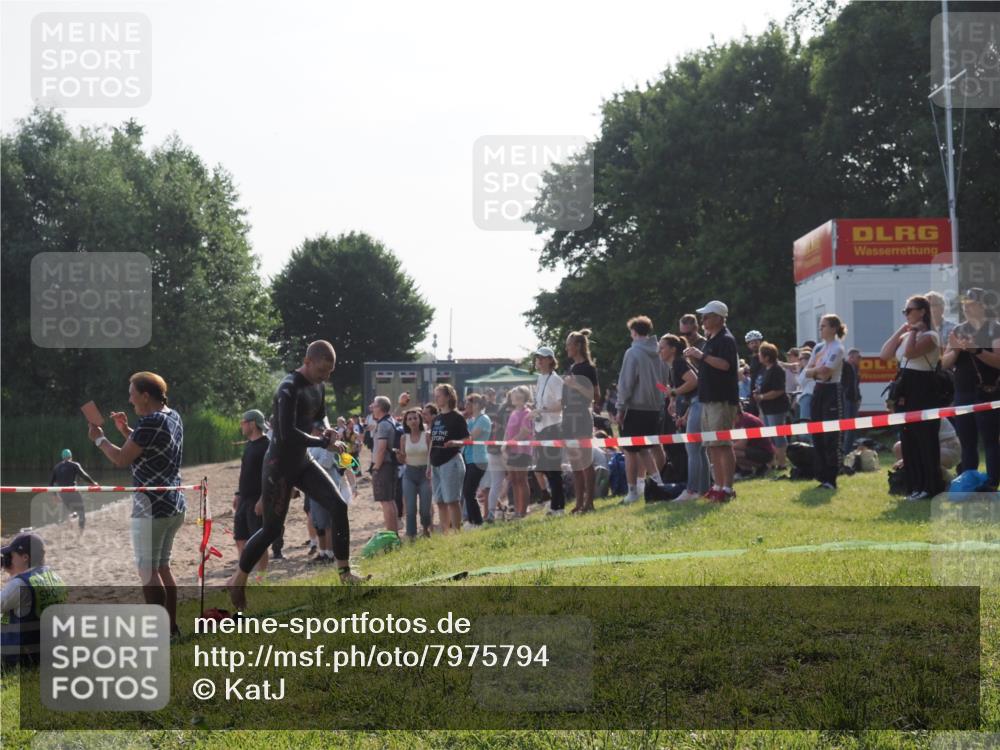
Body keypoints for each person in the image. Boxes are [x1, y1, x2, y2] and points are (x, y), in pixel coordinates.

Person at [229, 342, 366, 611]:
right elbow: (286, 433)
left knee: (338, 505)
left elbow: (320, 417)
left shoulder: (319, 386)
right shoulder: (288, 388)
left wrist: (327, 431)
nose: (324, 377)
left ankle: (345, 573)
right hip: (278, 466)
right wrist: (322, 443)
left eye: (329, 372)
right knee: (271, 530)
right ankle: (238, 579)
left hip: (302, 461)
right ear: (307, 361)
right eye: (321, 371)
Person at [89, 371, 186, 636]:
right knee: (162, 566)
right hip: (174, 503)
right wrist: (125, 431)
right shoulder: (171, 416)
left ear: (145, 396)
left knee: (147, 570)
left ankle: (159, 632)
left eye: (132, 394)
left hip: (151, 507)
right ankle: (172, 629)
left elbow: (121, 458)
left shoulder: (150, 421)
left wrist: (99, 439)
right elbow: (151, 445)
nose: (129, 400)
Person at [880, 298, 944, 500]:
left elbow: (910, 353)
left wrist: (915, 332)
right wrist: (902, 330)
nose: (906, 314)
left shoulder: (931, 336)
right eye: (904, 311)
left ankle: (930, 486)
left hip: (923, 389)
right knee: (908, 439)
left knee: (925, 440)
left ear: (922, 312)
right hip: (905, 388)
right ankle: (915, 486)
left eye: (909, 310)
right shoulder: (907, 334)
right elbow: (885, 354)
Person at [941, 287, 1000, 490]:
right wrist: (956, 350)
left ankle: (992, 483)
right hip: (962, 392)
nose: (966, 308)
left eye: (971, 304)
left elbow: (998, 360)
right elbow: (944, 363)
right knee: (967, 441)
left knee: (990, 440)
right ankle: (968, 482)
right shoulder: (959, 330)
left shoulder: (994, 329)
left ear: (982, 305)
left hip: (987, 393)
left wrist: (977, 350)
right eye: (964, 304)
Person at [685, 301, 739, 503]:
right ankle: (717, 485)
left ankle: (727, 488)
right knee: (712, 445)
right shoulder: (711, 339)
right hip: (708, 399)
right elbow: (709, 366)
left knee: (723, 444)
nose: (703, 320)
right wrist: (695, 358)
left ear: (718, 318)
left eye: (707, 316)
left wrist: (702, 355)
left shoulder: (726, 339)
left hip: (721, 399)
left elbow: (725, 365)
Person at [615, 317, 669, 504]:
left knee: (630, 451)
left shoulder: (633, 352)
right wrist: (660, 397)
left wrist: (620, 407)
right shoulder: (660, 352)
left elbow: (626, 383)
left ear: (634, 332)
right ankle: (658, 484)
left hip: (635, 408)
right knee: (645, 449)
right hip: (654, 408)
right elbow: (663, 382)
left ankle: (632, 492)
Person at [1, 534, 66, 667]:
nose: (9, 559)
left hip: (22, 656)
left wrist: (13, 577)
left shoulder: (19, 584)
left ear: (25, 557)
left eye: (12, 555)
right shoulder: (55, 577)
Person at [659, 334, 708, 502]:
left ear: (673, 349)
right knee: (699, 450)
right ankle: (703, 490)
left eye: (662, 347)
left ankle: (692, 490)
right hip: (696, 404)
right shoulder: (675, 366)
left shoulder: (678, 363)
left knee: (693, 448)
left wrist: (673, 393)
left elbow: (693, 381)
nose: (659, 351)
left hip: (698, 403)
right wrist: (683, 411)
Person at [804, 315, 847, 491]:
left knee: (831, 437)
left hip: (832, 391)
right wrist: (815, 371)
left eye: (823, 326)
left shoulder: (838, 348)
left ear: (833, 328)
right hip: (818, 390)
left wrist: (814, 371)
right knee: (817, 435)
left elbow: (826, 372)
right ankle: (822, 477)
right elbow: (808, 371)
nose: (820, 329)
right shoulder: (819, 347)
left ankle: (831, 478)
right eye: (820, 326)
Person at [564, 329, 600, 514]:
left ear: (577, 346)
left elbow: (595, 395)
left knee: (585, 462)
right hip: (569, 418)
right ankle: (579, 503)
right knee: (575, 464)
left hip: (582, 417)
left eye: (569, 345)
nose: (566, 348)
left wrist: (575, 385)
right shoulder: (572, 368)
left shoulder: (588, 368)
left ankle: (589, 503)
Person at [232, 410, 270, 578]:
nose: (241, 425)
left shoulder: (266, 446)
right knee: (240, 538)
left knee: (259, 542)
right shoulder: (249, 445)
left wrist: (262, 499)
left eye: (243, 422)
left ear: (252, 424)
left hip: (257, 500)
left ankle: (261, 579)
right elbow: (244, 471)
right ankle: (243, 577)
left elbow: (270, 476)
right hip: (244, 499)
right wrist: (238, 493)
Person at [429, 384, 468, 533]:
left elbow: (467, 439)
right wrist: (429, 465)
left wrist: (455, 443)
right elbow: (433, 441)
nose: (436, 398)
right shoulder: (437, 419)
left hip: (451, 461)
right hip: (436, 462)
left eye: (438, 395)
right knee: (440, 501)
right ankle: (445, 532)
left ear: (448, 397)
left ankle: (457, 532)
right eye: (435, 396)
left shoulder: (457, 417)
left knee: (452, 500)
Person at [532, 347, 567, 514]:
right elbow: (540, 403)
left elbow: (562, 404)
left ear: (550, 360)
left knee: (553, 469)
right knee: (543, 468)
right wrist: (536, 411)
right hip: (541, 428)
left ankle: (558, 507)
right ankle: (553, 503)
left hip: (553, 428)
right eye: (537, 357)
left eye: (542, 357)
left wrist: (543, 410)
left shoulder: (555, 380)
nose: (539, 360)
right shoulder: (540, 378)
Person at [397, 408, 432, 539]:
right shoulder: (403, 438)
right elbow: (402, 459)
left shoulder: (427, 436)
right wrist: (398, 456)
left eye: (415, 418)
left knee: (425, 507)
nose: (413, 421)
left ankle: (426, 529)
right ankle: (411, 534)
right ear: (406, 422)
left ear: (420, 420)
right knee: (410, 507)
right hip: (409, 473)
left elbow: (431, 455)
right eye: (409, 419)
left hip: (425, 473)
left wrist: (430, 470)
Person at [753, 341, 790, 470]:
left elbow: (779, 390)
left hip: (776, 407)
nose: (758, 356)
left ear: (767, 357)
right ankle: (773, 462)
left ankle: (782, 463)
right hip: (766, 408)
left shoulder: (777, 370)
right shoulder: (764, 369)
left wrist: (762, 396)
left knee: (778, 435)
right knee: (769, 436)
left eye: (760, 354)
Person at [892, 418, 961, 481]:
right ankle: (911, 482)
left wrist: (908, 460)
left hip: (949, 447)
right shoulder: (906, 416)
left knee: (925, 460)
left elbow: (926, 445)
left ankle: (949, 483)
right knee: (898, 447)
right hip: (932, 448)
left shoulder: (922, 413)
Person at [370, 396, 400, 535]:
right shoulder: (390, 421)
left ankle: (391, 535)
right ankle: (394, 534)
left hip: (384, 466)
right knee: (390, 500)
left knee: (385, 502)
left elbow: (381, 449)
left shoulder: (383, 424)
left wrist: (376, 467)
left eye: (374, 405)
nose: (372, 407)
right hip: (390, 465)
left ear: (380, 408)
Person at [48, 449, 98, 532]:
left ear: (62, 457)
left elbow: (50, 484)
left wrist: (54, 495)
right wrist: (93, 483)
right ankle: (81, 530)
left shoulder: (56, 467)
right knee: (81, 511)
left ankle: (69, 524)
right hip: (73, 492)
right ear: (71, 457)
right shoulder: (74, 465)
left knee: (68, 510)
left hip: (63, 493)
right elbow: (83, 475)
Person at [461, 393, 491, 528]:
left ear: (477, 405)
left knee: (469, 491)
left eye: (468, 403)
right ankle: (473, 521)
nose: (465, 406)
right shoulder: (472, 420)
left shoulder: (483, 419)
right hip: (469, 459)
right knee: (468, 492)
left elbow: (470, 437)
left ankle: (477, 522)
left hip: (478, 459)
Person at [503, 385, 534, 518]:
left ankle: (523, 511)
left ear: (523, 397)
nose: (513, 397)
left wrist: (510, 442)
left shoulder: (527, 412)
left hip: (523, 450)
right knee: (514, 480)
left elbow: (525, 432)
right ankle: (517, 510)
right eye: (513, 395)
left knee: (521, 479)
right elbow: (507, 431)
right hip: (512, 450)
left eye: (516, 395)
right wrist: (505, 444)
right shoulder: (514, 412)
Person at [732, 405, 774, 477]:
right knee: (730, 451)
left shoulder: (747, 420)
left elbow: (741, 445)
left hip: (764, 452)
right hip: (752, 448)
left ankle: (762, 466)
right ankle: (746, 470)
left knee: (731, 452)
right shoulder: (737, 420)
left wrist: (725, 447)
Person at [841, 348, 863, 454]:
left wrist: (859, 397)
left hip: (854, 399)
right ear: (851, 357)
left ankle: (849, 448)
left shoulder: (856, 368)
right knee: (848, 425)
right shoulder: (845, 367)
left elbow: (856, 386)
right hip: (847, 399)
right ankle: (845, 450)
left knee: (853, 426)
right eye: (858, 357)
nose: (860, 359)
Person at [745, 330, 765, 413]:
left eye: (756, 342)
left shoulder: (765, 356)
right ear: (748, 345)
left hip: (763, 391)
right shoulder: (752, 358)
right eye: (751, 343)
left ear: (760, 342)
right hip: (753, 391)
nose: (754, 345)